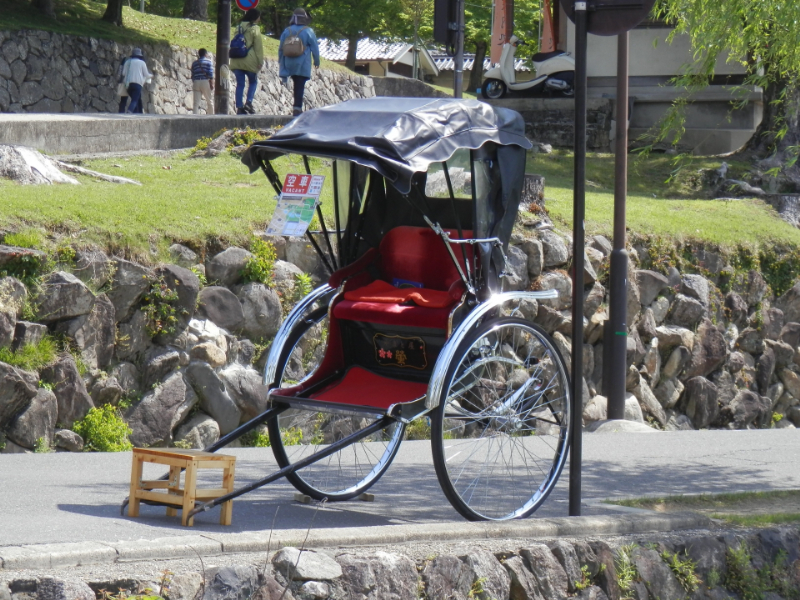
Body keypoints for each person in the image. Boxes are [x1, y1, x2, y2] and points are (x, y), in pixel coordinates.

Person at [279, 8, 320, 117]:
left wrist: (281, 62)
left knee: (296, 83)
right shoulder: (308, 31)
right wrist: (317, 61)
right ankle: (297, 107)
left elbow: (281, 48)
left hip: (289, 62)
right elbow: (315, 48)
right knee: (300, 84)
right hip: (302, 63)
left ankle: (296, 106)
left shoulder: (287, 30)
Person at [229, 8, 264, 115]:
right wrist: (260, 61)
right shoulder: (255, 29)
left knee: (240, 84)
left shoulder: (238, 27)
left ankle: (239, 107)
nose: (259, 18)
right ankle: (249, 102)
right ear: (255, 17)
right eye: (258, 16)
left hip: (237, 59)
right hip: (250, 60)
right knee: (253, 82)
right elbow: (258, 47)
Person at [122, 48, 153, 114]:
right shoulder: (142, 63)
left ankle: (138, 113)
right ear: (139, 56)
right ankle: (130, 110)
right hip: (138, 84)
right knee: (135, 100)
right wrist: (151, 75)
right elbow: (146, 74)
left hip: (128, 84)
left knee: (137, 99)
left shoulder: (128, 62)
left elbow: (123, 73)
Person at [191, 48, 215, 115]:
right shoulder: (209, 62)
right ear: (205, 54)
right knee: (209, 101)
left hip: (196, 82)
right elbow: (210, 74)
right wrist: (212, 84)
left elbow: (193, 75)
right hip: (205, 82)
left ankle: (194, 118)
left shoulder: (194, 63)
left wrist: (195, 81)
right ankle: (211, 116)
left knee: (196, 103)